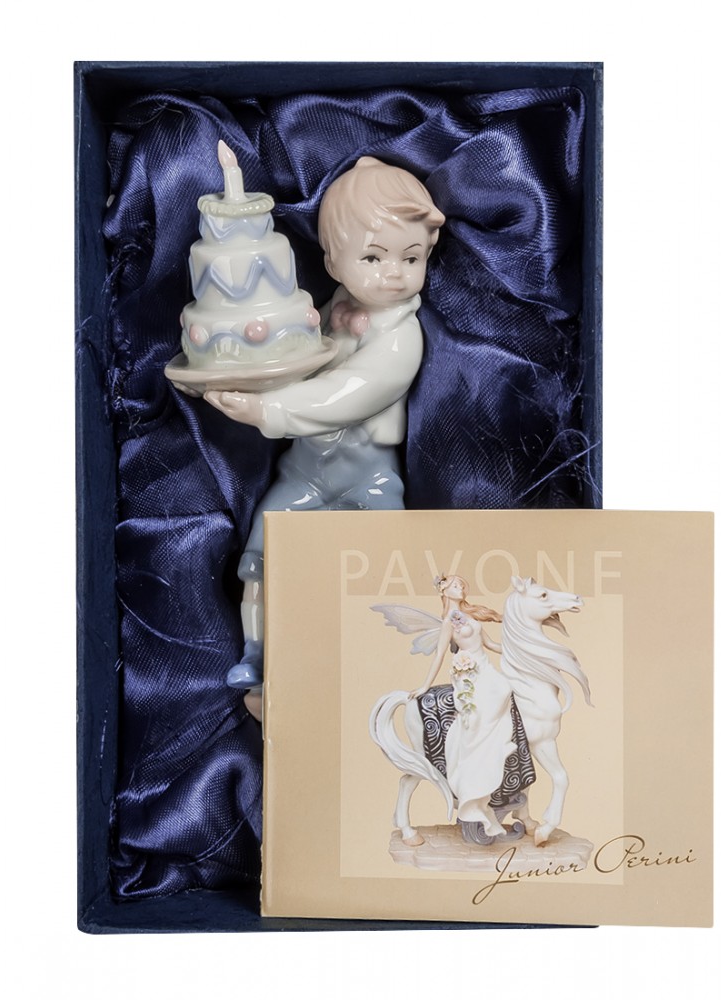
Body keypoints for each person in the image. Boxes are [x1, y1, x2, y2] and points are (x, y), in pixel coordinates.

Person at [205, 157, 445, 719]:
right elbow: (295, 363)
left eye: (411, 258)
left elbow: (349, 393)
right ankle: (259, 655)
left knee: (386, 568)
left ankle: (380, 669)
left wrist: (266, 409)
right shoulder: (328, 313)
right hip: (305, 470)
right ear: (332, 261)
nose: (394, 273)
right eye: (373, 257)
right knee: (261, 553)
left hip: (370, 476)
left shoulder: (401, 338)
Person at [411, 575, 517, 839]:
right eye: (456, 585)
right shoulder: (449, 621)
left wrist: (518, 650)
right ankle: (485, 751)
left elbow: (490, 644)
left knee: (505, 688)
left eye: (462, 586)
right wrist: (425, 685)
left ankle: (499, 741)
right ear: (444, 590)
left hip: (485, 667)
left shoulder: (469, 615)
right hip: (468, 675)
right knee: (482, 707)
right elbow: (439, 654)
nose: (462, 588)